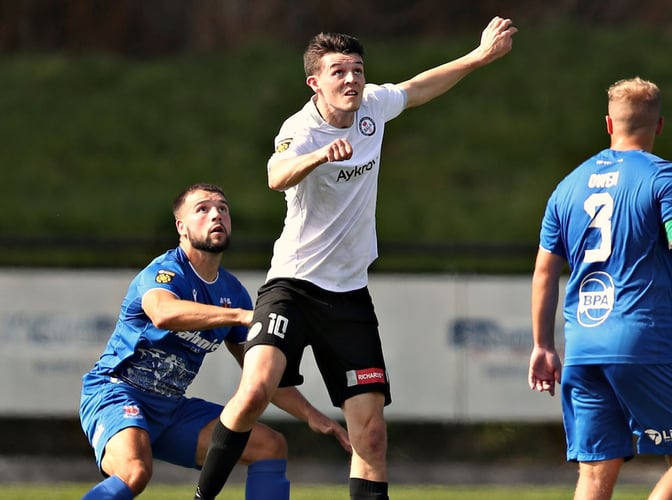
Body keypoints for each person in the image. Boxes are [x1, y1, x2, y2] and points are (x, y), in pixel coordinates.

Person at [194, 17, 518, 500]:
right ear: (315, 83)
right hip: (292, 287)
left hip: (348, 298)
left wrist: (478, 56)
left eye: (357, 70)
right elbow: (276, 175)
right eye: (339, 72)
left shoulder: (372, 108)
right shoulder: (299, 128)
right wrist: (320, 156)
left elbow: (417, 88)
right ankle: (203, 497)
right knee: (257, 388)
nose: (351, 79)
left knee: (370, 435)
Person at [528, 77, 672, 499]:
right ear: (659, 126)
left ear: (608, 124)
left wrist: (543, 344)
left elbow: (545, 272)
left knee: (594, 473)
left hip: (583, 344)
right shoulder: (664, 178)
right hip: (641, 339)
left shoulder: (567, 186)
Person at [79, 183, 351, 500]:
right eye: (203, 209)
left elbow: (260, 375)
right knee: (135, 472)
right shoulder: (166, 271)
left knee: (270, 446)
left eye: (222, 208)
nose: (216, 215)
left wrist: (312, 415)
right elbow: (162, 312)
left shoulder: (232, 291)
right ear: (181, 227)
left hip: (170, 409)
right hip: (116, 391)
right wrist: (237, 316)